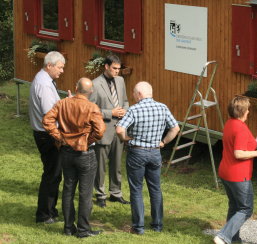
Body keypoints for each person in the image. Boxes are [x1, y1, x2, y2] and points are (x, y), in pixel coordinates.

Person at [43, 78, 105, 238]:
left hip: (66, 152)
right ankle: (83, 229)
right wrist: (85, 140)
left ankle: (69, 227)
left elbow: (47, 120)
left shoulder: (63, 103)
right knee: (85, 193)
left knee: (68, 189)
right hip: (85, 154)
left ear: (75, 87)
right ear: (90, 92)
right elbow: (99, 131)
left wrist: (60, 137)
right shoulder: (92, 107)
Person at [116, 81, 180, 235]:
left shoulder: (133, 109)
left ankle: (138, 227)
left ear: (139, 94)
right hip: (155, 153)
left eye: (133, 93)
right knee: (155, 189)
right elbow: (175, 128)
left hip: (137, 153)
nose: (132, 96)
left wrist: (126, 138)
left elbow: (119, 129)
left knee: (136, 190)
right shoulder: (162, 107)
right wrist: (163, 142)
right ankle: (157, 225)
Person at [214, 96, 257, 244]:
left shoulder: (230, 123)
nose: (249, 111)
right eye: (247, 109)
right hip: (238, 175)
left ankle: (233, 238)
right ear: (243, 111)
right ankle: (223, 236)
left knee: (235, 205)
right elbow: (238, 153)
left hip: (226, 171)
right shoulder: (241, 128)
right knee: (246, 209)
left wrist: (254, 143)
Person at [29, 51, 66, 224]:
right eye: (60, 67)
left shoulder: (45, 79)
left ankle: (50, 211)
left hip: (46, 134)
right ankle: (44, 215)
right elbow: (50, 113)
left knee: (54, 174)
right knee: (52, 174)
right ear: (49, 65)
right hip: (47, 136)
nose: (62, 71)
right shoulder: (44, 84)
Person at [90, 55, 129, 208]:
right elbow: (91, 110)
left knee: (117, 164)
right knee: (100, 166)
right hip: (103, 131)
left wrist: (124, 111)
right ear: (106, 66)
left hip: (119, 129)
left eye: (119, 69)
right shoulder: (95, 84)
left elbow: (125, 100)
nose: (117, 72)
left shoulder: (120, 81)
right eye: (114, 68)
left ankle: (116, 193)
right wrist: (110, 113)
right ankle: (100, 195)